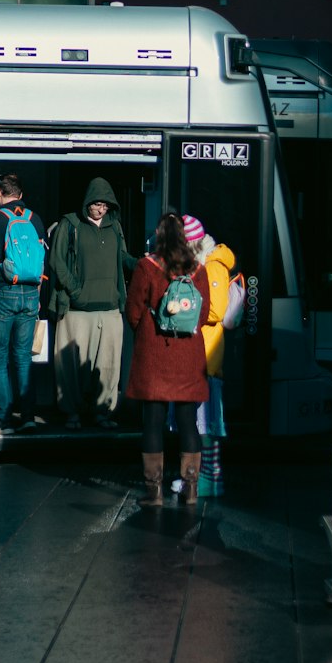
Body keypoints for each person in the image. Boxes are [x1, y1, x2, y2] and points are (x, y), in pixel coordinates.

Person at [125, 211, 211, 506]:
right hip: (188, 355)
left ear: (158, 236)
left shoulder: (146, 265)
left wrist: (147, 331)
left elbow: (133, 311)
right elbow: (203, 312)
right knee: (189, 422)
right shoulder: (198, 269)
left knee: (153, 422)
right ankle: (191, 489)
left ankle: (155, 492)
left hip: (155, 356)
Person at [48, 178, 137, 429]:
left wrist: (139, 264)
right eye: (97, 204)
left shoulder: (115, 227)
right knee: (71, 367)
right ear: (87, 202)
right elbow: (56, 260)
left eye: (106, 205)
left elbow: (122, 257)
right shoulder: (70, 224)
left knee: (108, 364)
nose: (101, 209)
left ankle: (103, 413)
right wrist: (76, 291)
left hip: (109, 309)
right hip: (76, 310)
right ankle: (72, 412)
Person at [169, 215, 241, 498]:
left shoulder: (213, 266)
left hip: (206, 353)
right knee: (197, 422)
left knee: (204, 423)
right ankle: (198, 475)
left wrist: (180, 309)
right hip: (197, 350)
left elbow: (216, 311)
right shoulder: (202, 265)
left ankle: (207, 478)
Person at [0, 174, 47, 435]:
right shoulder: (35, 219)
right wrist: (37, 295)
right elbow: (40, 262)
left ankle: (5, 421)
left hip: (2, 293)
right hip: (29, 293)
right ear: (20, 194)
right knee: (23, 357)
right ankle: (28, 416)